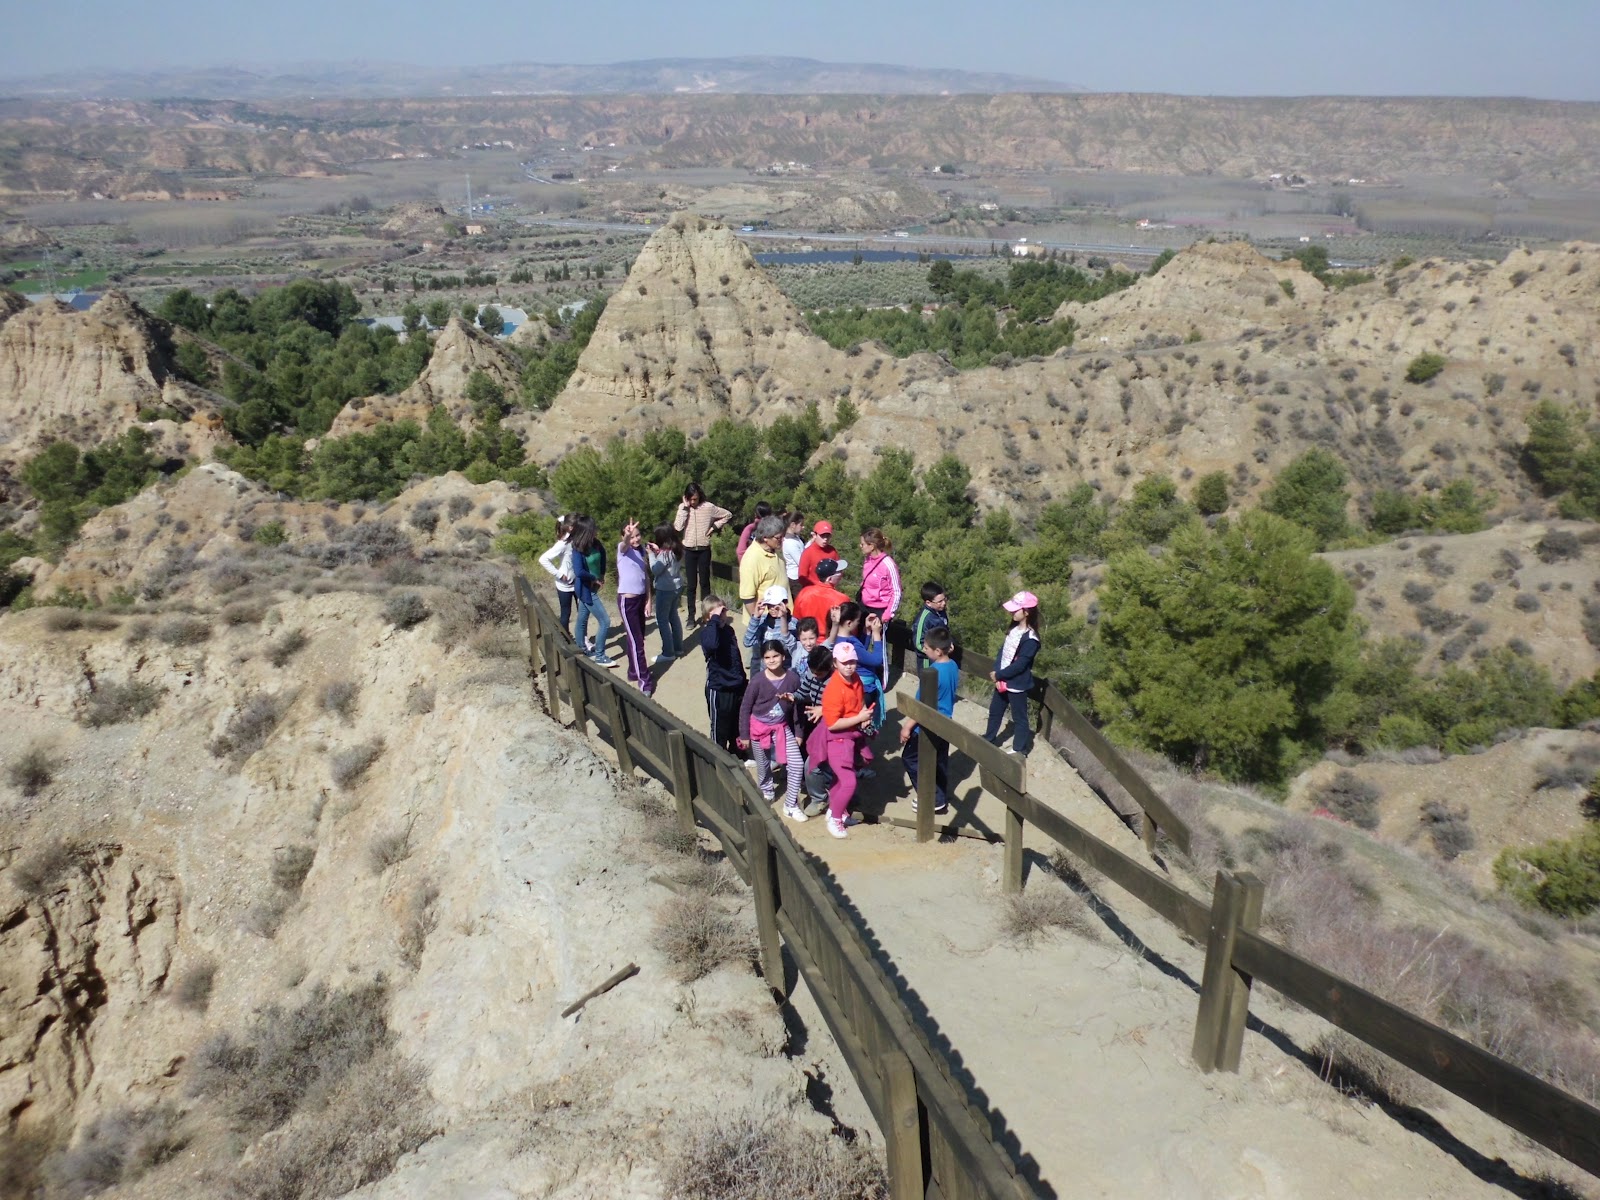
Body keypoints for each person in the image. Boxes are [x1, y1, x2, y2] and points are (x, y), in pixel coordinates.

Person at [738, 640, 806, 820]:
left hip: (781, 729)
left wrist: (799, 732)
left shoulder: (792, 679)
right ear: (762, 659)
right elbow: (745, 707)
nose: (772, 660)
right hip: (758, 730)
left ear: (783, 656)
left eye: (775, 656)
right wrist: (744, 734)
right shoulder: (757, 681)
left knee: (797, 764)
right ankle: (767, 790)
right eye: (767, 657)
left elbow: (798, 707)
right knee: (763, 764)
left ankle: (791, 805)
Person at [813, 640, 874, 839]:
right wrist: (859, 718)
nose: (849, 666)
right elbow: (832, 724)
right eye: (844, 662)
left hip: (851, 736)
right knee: (849, 781)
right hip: (837, 739)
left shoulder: (855, 679)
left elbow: (860, 701)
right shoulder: (833, 689)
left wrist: (864, 715)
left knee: (841, 779)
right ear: (835, 663)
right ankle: (835, 819)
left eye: (852, 662)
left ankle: (835, 810)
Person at [901, 627, 959, 815]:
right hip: (946, 723)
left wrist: (907, 727)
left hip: (927, 725)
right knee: (940, 761)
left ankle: (929, 796)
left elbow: (921, 705)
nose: (924, 650)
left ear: (938, 651)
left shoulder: (931, 673)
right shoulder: (953, 666)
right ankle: (940, 799)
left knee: (910, 759)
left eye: (926, 648)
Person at [984, 590, 1041, 756]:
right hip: (1002, 680)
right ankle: (989, 738)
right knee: (995, 710)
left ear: (1026, 612)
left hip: (1016, 683)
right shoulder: (1014, 629)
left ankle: (1019, 749)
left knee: (1019, 717)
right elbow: (1002, 652)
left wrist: (999, 675)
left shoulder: (1031, 640)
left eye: (1015, 610)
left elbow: (1021, 665)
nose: (1011, 612)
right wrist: (997, 672)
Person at [673, 483, 733, 621]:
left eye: (695, 499)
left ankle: (707, 615)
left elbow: (727, 515)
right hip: (689, 550)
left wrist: (714, 527)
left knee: (705, 583)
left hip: (704, 549)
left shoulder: (708, 507)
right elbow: (678, 527)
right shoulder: (683, 508)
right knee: (691, 585)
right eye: (690, 499)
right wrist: (685, 509)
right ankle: (691, 616)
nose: (693, 502)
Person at [832, 601, 887, 742]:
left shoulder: (841, 639)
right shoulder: (850, 643)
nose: (858, 623)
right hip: (865, 689)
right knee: (862, 724)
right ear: (849, 623)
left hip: (856, 684)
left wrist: (866, 631)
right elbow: (876, 660)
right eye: (858, 621)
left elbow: (861, 653)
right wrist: (877, 635)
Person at [700, 594, 747, 755]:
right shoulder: (707, 633)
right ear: (708, 617)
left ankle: (738, 754)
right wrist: (714, 619)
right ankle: (718, 757)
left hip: (736, 686)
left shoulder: (729, 630)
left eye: (723, 611)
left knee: (737, 724)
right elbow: (712, 645)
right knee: (720, 727)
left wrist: (742, 680)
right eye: (717, 613)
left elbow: (736, 658)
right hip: (719, 689)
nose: (722, 615)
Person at [570, 516, 618, 668]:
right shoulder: (578, 549)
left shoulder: (596, 543)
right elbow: (579, 571)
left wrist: (601, 574)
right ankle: (600, 656)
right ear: (586, 531)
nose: (596, 530)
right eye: (593, 528)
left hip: (593, 586)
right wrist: (593, 578)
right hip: (585, 589)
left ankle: (581, 650)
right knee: (605, 621)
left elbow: (603, 556)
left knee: (582, 618)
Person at [796, 644, 835, 818]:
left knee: (813, 765)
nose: (815, 676)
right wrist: (792, 696)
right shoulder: (811, 675)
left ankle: (820, 798)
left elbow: (843, 706)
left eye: (819, 673)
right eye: (813, 672)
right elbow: (803, 692)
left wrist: (824, 709)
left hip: (833, 728)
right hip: (817, 727)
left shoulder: (835, 682)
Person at [616, 519, 654, 696]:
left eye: (638, 535)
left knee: (637, 639)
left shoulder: (641, 551)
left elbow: (645, 577)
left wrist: (649, 600)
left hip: (640, 600)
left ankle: (633, 671)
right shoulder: (622, 550)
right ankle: (645, 682)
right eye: (632, 536)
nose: (635, 539)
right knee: (637, 641)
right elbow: (625, 543)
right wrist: (627, 536)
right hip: (628, 602)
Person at [737, 515, 789, 619]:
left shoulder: (773, 550)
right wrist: (757, 621)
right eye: (778, 538)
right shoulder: (752, 559)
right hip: (766, 621)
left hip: (781, 617)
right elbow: (747, 597)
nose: (782, 540)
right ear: (765, 538)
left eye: (783, 536)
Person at [648, 523, 686, 662]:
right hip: (677, 586)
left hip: (665, 589)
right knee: (673, 616)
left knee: (662, 620)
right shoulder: (678, 549)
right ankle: (678, 648)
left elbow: (656, 569)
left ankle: (668, 652)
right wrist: (658, 552)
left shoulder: (665, 554)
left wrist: (651, 555)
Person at [536, 514, 577, 637]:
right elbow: (543, 559)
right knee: (566, 612)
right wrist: (559, 574)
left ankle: (580, 638)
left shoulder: (574, 540)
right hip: (565, 584)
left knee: (582, 611)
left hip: (576, 581)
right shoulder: (563, 543)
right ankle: (565, 637)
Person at [743, 585, 797, 670]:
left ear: (785, 603)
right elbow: (748, 642)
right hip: (765, 671)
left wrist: (783, 617)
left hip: (785, 671)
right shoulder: (763, 620)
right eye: (769, 605)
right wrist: (756, 617)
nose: (772, 608)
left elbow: (790, 648)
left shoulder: (793, 623)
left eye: (775, 605)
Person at [793, 557, 851, 635]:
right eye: (839, 572)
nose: (841, 574)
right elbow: (847, 627)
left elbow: (796, 619)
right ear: (829, 579)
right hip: (832, 639)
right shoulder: (842, 599)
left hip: (807, 639)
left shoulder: (804, 593)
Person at [857, 528, 902, 624]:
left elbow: (896, 591)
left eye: (863, 544)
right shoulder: (868, 559)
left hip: (880, 610)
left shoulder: (888, 565)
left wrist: (888, 614)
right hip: (864, 607)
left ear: (872, 546)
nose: (860, 546)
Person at [912, 581, 950, 673]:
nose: (944, 603)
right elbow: (918, 643)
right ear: (928, 603)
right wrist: (934, 652)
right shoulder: (924, 618)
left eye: (944, 599)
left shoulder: (940, 611)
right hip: (927, 661)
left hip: (941, 657)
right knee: (929, 681)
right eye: (940, 601)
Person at [797, 520, 840, 590]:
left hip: (829, 590)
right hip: (812, 591)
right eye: (822, 536)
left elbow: (839, 571)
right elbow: (802, 576)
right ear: (814, 535)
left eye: (828, 536)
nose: (825, 539)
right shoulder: (808, 552)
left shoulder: (832, 551)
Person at [781, 511, 807, 593]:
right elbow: (801, 562)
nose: (803, 527)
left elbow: (803, 551)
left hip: (799, 577)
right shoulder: (790, 543)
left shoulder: (795, 538)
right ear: (793, 525)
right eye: (801, 525)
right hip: (795, 579)